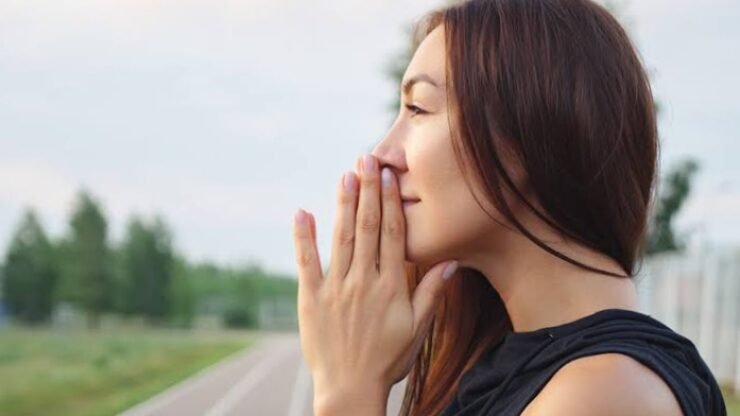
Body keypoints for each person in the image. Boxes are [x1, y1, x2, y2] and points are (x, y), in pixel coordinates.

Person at [291, 0, 727, 415]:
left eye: (418, 109)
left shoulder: (606, 393)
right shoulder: (516, 367)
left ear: (528, 132)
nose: (381, 154)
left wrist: (348, 394)